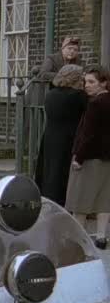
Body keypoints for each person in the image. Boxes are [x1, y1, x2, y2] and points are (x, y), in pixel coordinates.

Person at [65, 65, 110, 248]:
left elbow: (88, 134)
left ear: (103, 83)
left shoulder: (95, 104)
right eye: (85, 82)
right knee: (104, 199)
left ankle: (78, 239)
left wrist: (78, 158)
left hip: (90, 157)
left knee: (80, 200)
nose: (86, 86)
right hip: (107, 157)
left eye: (91, 82)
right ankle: (101, 237)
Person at [38, 65, 87, 206]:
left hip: (50, 135)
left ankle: (48, 200)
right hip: (68, 137)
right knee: (62, 171)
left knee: (50, 170)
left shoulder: (51, 94)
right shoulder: (77, 96)